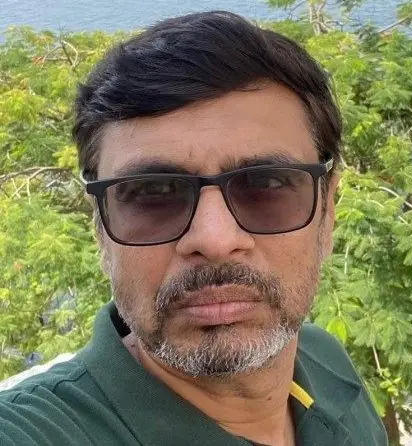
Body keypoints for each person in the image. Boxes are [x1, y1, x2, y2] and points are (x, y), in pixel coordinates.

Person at [0, 11, 388, 446]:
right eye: (153, 192)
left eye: (266, 185)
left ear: (327, 212)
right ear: (100, 229)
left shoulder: (323, 361)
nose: (215, 240)